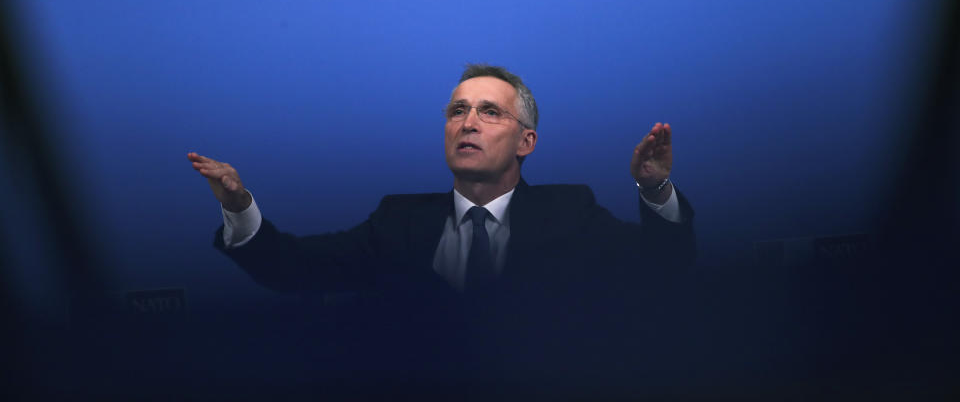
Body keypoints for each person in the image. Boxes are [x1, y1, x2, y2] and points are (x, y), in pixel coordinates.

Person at [188, 64, 695, 386]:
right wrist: (238, 205)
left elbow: (665, 269)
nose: (467, 122)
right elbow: (291, 269)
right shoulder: (397, 220)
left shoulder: (569, 210)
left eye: (489, 112)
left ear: (526, 143)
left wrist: (653, 189)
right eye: (457, 111)